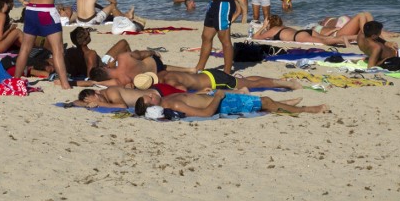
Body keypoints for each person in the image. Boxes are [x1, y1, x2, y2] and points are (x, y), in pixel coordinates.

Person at [135, 89, 328, 118]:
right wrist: (217, 97)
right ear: (152, 106)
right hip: (224, 104)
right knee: (267, 102)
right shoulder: (172, 106)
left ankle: (286, 104)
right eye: (149, 99)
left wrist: (203, 93)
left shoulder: (168, 98)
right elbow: (205, 114)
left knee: (265, 101)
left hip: (217, 97)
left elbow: (191, 97)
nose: (151, 94)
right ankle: (308, 109)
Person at [153, 68, 302, 92]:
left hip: (216, 81)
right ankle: (280, 81)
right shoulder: (164, 73)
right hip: (208, 74)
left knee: (253, 84)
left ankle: (287, 84)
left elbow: (183, 90)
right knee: (248, 81)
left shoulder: (169, 83)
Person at [253, 15, 351, 46]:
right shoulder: (283, 27)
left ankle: (342, 40)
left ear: (270, 24)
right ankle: (351, 38)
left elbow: (255, 37)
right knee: (325, 38)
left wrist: (263, 26)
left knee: (323, 41)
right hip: (305, 31)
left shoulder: (273, 29)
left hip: (299, 36)